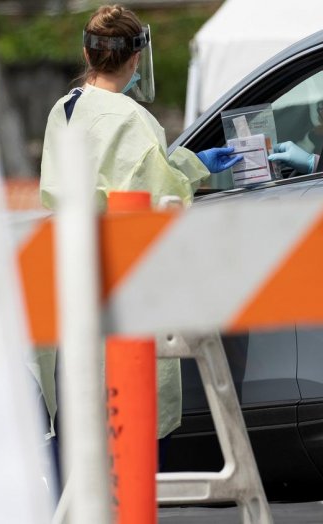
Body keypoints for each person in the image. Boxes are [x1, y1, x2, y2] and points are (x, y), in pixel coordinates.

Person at [38, 4, 243, 473]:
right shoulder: (132, 120)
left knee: (80, 448)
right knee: (134, 454)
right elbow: (161, 200)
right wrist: (191, 174)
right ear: (136, 59)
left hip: (73, 289)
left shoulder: (63, 110)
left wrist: (192, 162)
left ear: (87, 54)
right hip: (127, 294)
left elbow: (106, 184)